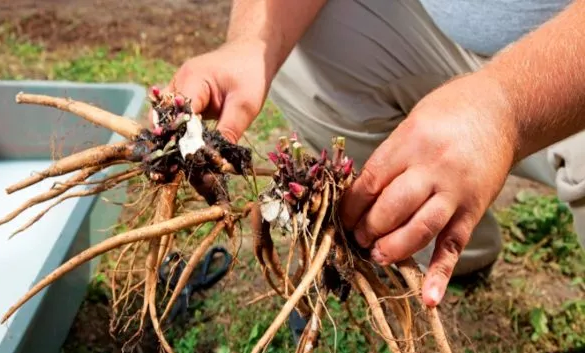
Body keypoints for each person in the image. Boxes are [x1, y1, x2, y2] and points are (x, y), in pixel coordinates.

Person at [160, 0, 585, 307]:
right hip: (439, 37)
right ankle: (431, 243)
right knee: (295, 44)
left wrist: (504, 109)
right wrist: (255, 40)